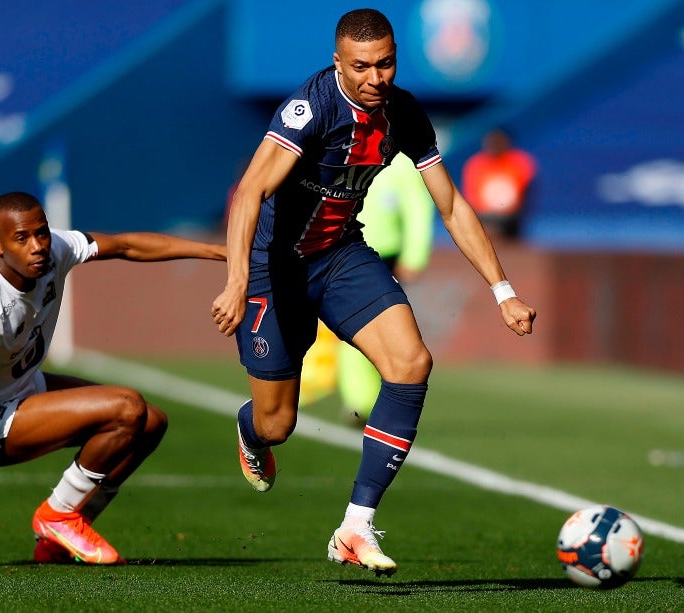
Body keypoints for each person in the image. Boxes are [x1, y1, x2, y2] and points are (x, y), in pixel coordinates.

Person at [210, 8, 535, 578]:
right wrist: (237, 281)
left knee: (411, 363)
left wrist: (502, 290)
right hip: (272, 269)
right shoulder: (310, 109)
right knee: (277, 424)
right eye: (361, 66)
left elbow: (452, 206)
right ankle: (250, 427)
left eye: (384, 63)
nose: (374, 77)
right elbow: (251, 192)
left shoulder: (405, 113)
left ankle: (355, 526)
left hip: (339, 255)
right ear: (339, 62)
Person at [0, 191, 226, 569]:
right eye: (21, 239)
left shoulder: (55, 249)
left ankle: (59, 538)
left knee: (151, 423)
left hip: (22, 387)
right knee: (127, 409)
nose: (38, 246)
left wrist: (220, 253)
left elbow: (125, 246)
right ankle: (58, 516)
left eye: (41, 233)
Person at [336, 155, 435, 424]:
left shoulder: (401, 161)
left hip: (383, 254)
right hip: (343, 252)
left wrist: (414, 255)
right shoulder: (344, 148)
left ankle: (369, 400)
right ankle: (360, 401)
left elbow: (418, 207)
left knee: (383, 330)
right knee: (351, 330)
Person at [461, 127, 537, 240]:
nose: (495, 145)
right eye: (492, 141)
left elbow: (526, 195)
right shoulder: (476, 164)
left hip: (510, 218)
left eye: (499, 141)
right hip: (483, 216)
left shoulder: (520, 162)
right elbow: (471, 198)